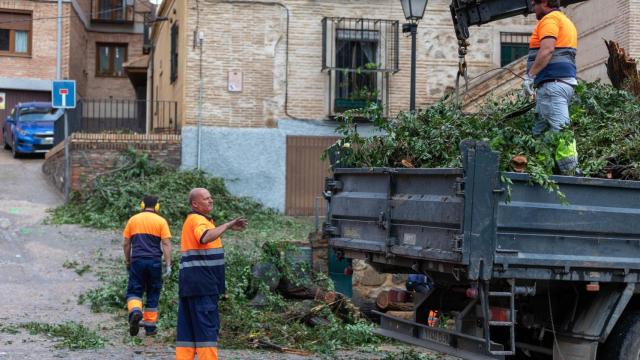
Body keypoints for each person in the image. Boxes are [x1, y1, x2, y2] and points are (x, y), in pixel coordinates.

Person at [176, 188, 247, 360]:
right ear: (195, 204)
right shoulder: (198, 221)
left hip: (191, 286)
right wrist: (228, 225)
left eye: (211, 197)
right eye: (206, 199)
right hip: (203, 287)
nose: (211, 201)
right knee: (206, 332)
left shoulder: (194, 220)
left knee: (188, 334)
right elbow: (205, 237)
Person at [523, 0, 580, 175]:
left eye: (535, 3)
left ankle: (571, 173)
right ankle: (541, 170)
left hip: (552, 85)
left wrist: (530, 76)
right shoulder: (565, 20)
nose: (532, 7)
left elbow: (547, 50)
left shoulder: (549, 20)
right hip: (560, 84)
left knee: (561, 131)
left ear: (545, 2)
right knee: (540, 132)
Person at [123, 195, 172, 336]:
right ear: (157, 206)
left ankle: (135, 312)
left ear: (142, 205)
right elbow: (166, 244)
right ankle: (150, 328)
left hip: (137, 261)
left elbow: (126, 243)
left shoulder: (133, 220)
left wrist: (128, 261)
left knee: (134, 290)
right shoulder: (161, 221)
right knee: (153, 291)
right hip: (155, 262)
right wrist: (168, 265)